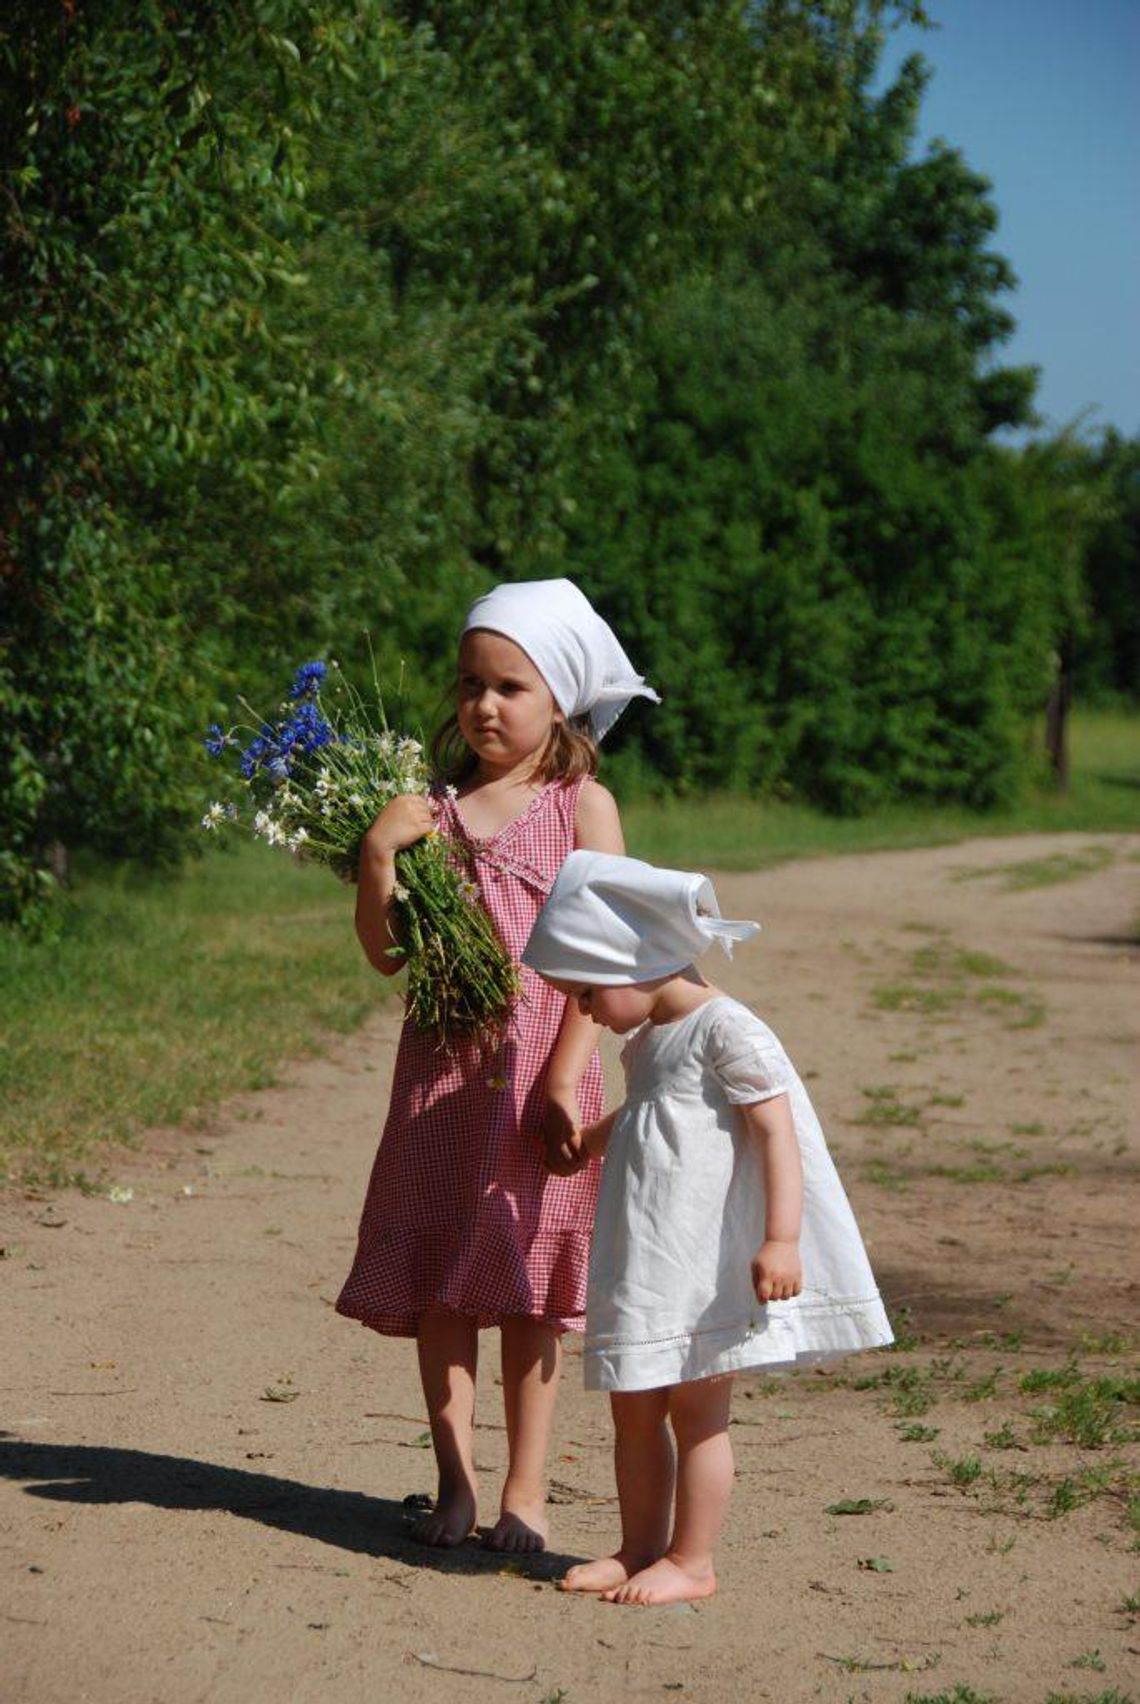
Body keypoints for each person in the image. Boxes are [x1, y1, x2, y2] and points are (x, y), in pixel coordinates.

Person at [337, 580, 658, 1553]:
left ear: (558, 697)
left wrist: (566, 1073)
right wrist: (378, 861)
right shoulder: (427, 810)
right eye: (470, 683)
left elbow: (604, 961)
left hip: (540, 1078)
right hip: (438, 1079)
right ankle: (454, 1481)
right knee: (441, 1275)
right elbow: (388, 956)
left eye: (510, 686)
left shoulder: (582, 806)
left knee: (528, 1287)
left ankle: (526, 1490)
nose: (483, 704)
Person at [521, 850, 893, 1604]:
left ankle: (694, 1561)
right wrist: (596, 1137)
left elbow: (775, 1132)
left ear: (636, 960)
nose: (585, 1012)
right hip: (646, 1254)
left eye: (588, 992)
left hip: (701, 1264)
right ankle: (638, 1547)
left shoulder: (728, 1029)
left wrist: (782, 1238)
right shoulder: (652, 1040)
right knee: (634, 1406)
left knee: (696, 1412)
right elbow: (661, 1109)